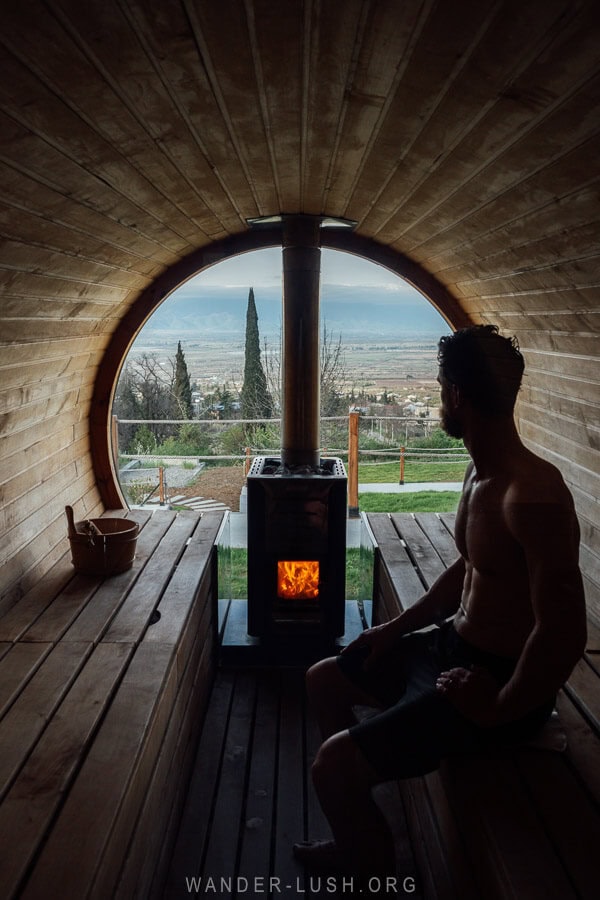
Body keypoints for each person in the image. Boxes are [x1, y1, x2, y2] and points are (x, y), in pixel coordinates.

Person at [294, 324, 587, 881]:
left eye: (438, 385)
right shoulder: (482, 472)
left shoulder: (534, 494)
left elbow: (564, 632)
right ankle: (362, 808)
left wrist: (500, 706)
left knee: (330, 765)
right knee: (323, 678)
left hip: (489, 684)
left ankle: (369, 863)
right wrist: (395, 628)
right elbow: (474, 566)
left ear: (455, 394)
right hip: (451, 649)